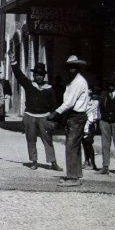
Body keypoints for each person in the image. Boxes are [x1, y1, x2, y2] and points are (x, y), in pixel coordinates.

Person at [10, 54, 60, 171]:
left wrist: (54, 119)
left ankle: (53, 162)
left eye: (41, 75)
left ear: (44, 76)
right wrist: (13, 63)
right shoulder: (29, 85)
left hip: (44, 117)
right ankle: (34, 161)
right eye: (36, 75)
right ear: (34, 75)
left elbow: (54, 105)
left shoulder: (49, 88)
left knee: (48, 140)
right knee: (31, 139)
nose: (38, 77)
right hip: (30, 116)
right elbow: (19, 76)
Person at [48, 55, 90, 187]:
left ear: (78, 68)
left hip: (77, 116)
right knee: (74, 146)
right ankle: (75, 175)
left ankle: (73, 177)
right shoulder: (72, 81)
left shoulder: (78, 82)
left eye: (73, 67)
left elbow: (69, 102)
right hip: (72, 117)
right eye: (69, 67)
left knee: (71, 146)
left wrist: (55, 112)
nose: (71, 70)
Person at [97, 72, 115, 175]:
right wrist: (100, 120)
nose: (110, 86)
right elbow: (99, 108)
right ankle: (105, 167)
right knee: (105, 144)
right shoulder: (103, 94)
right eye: (109, 84)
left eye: (113, 84)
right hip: (105, 122)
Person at [82, 89, 100, 172]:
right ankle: (86, 161)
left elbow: (92, 114)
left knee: (88, 143)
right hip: (83, 124)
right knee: (84, 143)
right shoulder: (82, 103)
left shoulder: (95, 103)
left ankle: (93, 163)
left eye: (88, 95)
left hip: (90, 125)